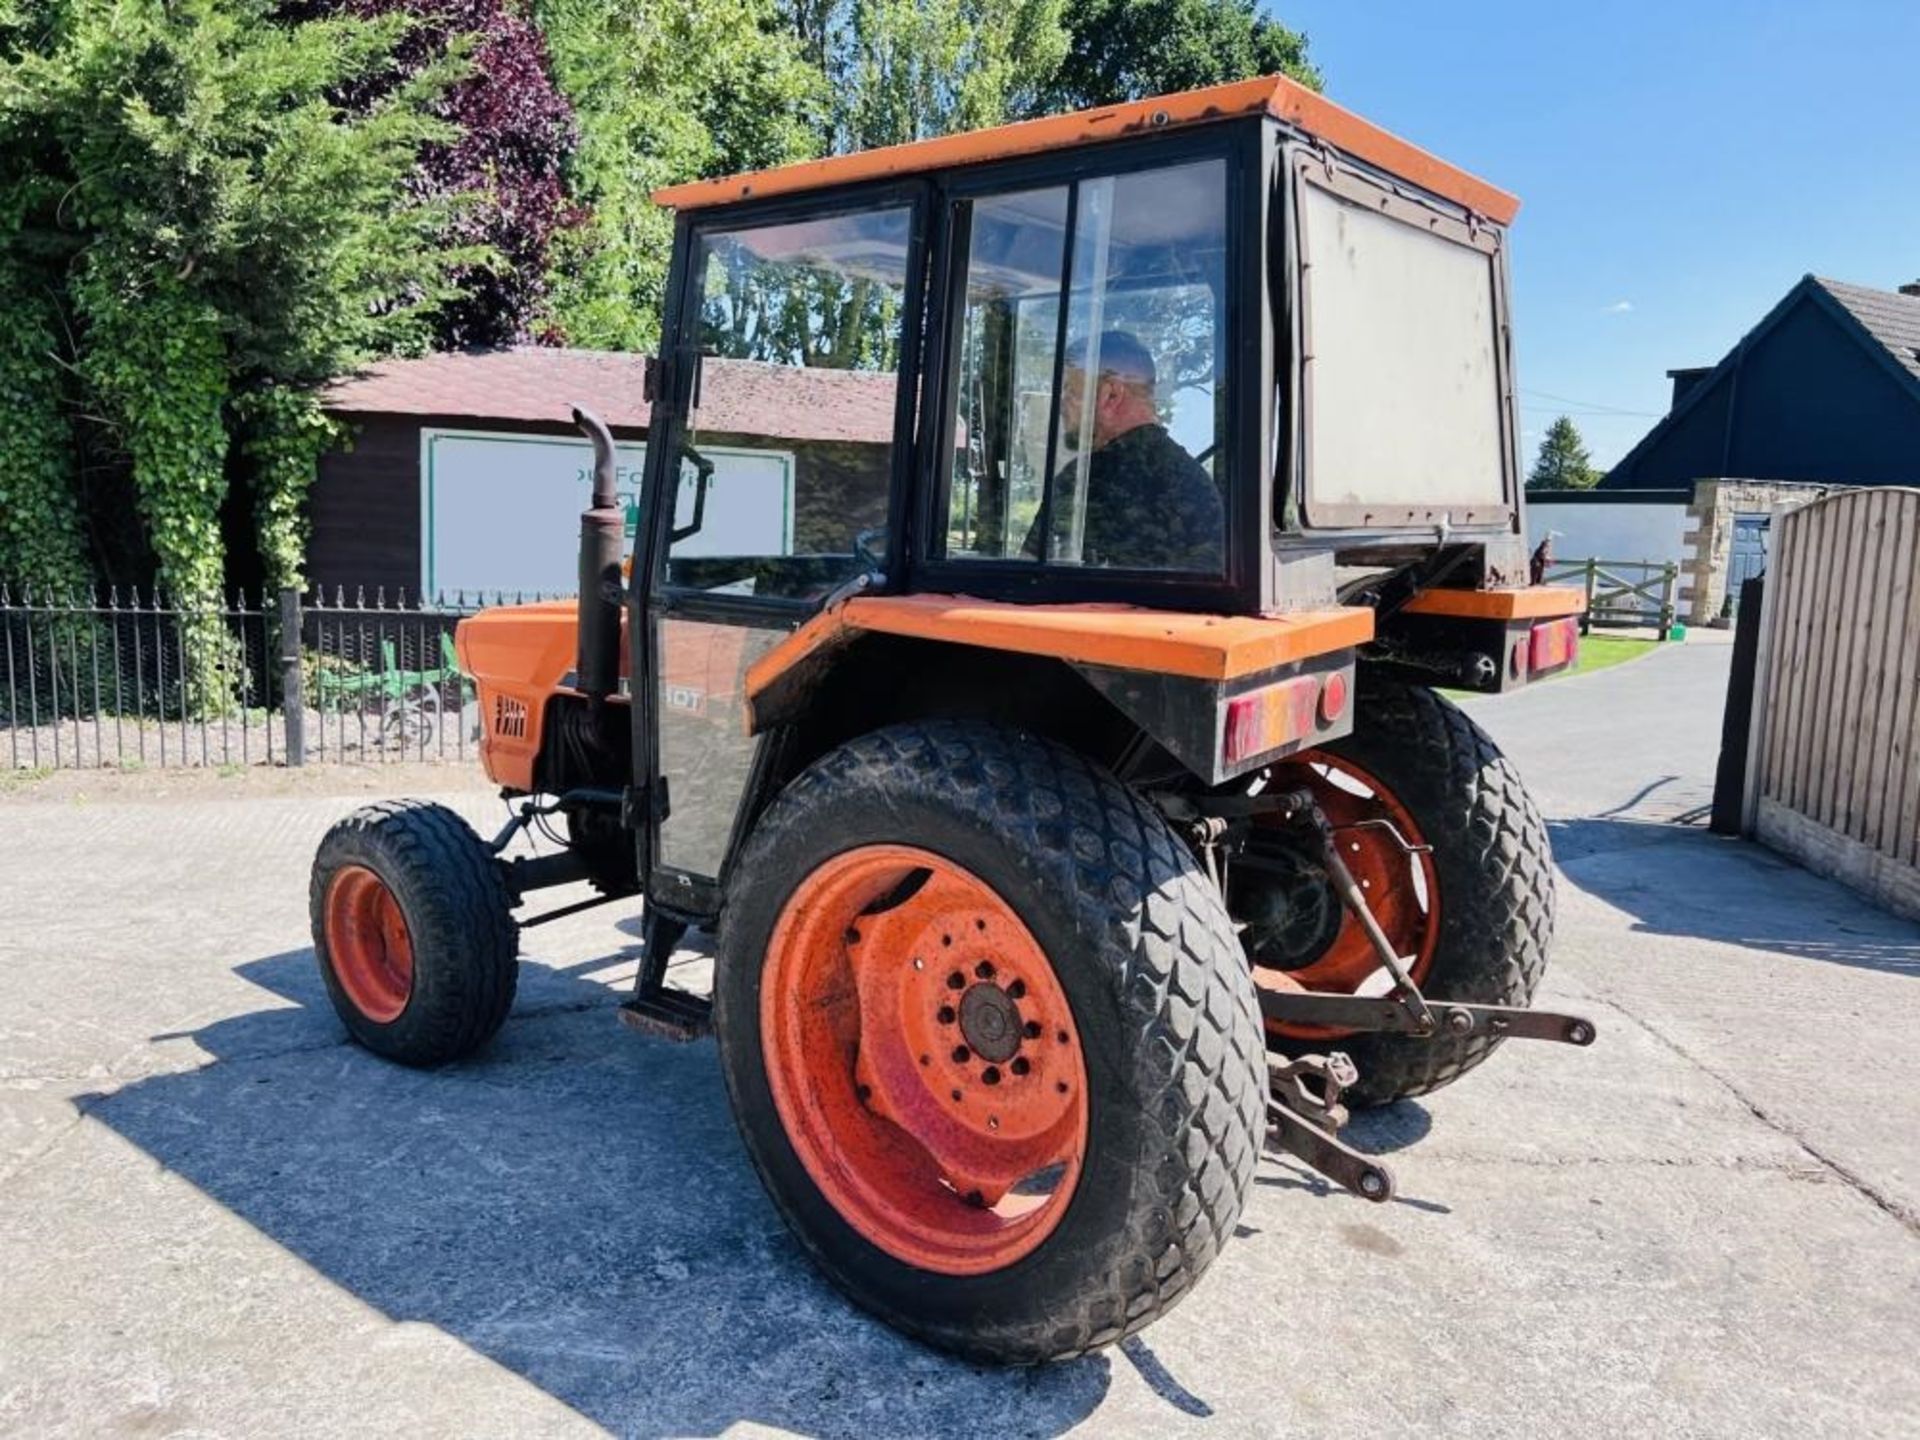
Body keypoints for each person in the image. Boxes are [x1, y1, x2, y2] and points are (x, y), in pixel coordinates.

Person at [1023, 331, 1223, 570]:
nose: (1063, 404)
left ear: (1111, 395)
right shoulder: (1194, 483)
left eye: (1071, 392)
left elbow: (1027, 577)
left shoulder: (1085, 480)